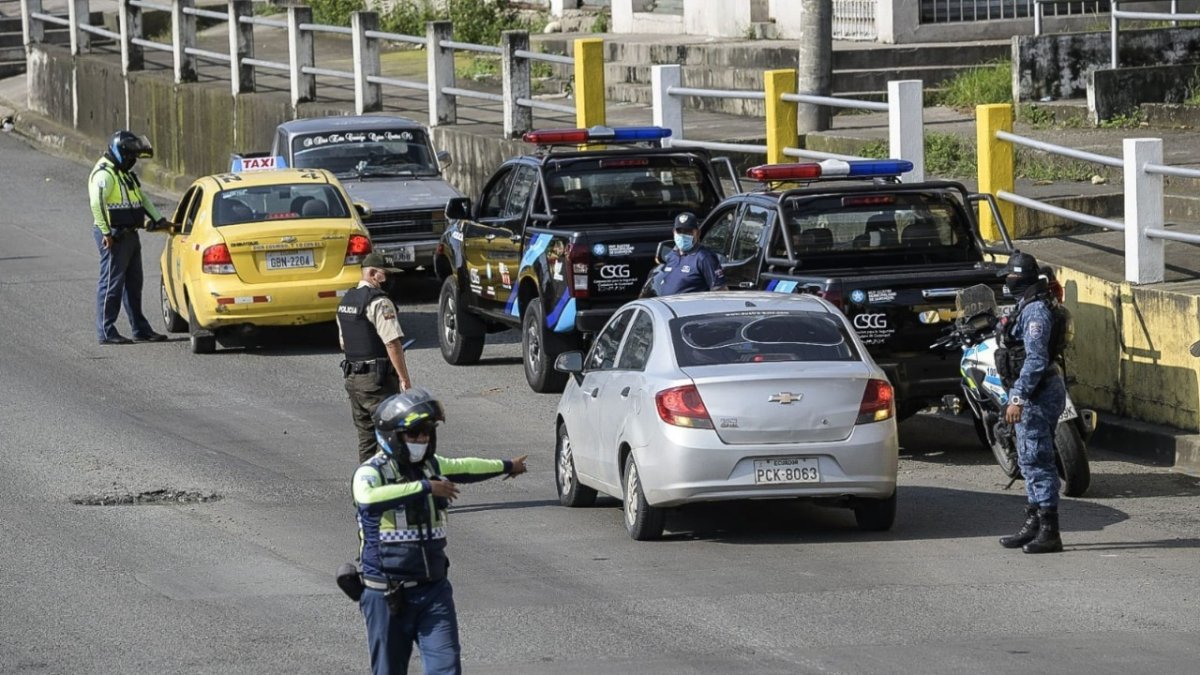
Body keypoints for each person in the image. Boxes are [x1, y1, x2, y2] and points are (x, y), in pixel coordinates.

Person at [349, 388, 528, 675]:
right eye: (415, 433)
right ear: (393, 436)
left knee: (447, 668)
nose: (422, 439)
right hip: (387, 595)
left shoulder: (432, 466)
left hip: (433, 590)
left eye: (428, 433)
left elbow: (467, 466)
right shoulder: (372, 472)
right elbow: (367, 499)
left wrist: (508, 465)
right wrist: (425, 488)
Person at [995, 251, 1067, 554]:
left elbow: (1036, 359)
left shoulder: (1036, 311)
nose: (1008, 283)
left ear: (1020, 279)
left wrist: (1017, 398)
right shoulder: (1026, 306)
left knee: (1038, 459)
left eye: (1011, 277)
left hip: (1036, 393)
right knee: (1027, 458)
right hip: (1032, 393)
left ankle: (1050, 530)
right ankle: (1034, 523)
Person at [90, 130, 171, 345]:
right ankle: (106, 331)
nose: (132, 161)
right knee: (111, 284)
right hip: (114, 236)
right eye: (130, 157)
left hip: (130, 234)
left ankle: (140, 329)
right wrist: (106, 233)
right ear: (120, 153)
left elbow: (141, 198)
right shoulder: (104, 174)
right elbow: (96, 204)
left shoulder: (124, 174)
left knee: (134, 285)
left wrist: (158, 219)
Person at [337, 252, 415, 463]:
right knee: (392, 435)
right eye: (386, 274)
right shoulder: (379, 302)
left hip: (354, 379)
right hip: (377, 381)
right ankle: (396, 487)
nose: (390, 279)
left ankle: (366, 488)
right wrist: (404, 379)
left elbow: (344, 343)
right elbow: (392, 343)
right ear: (372, 273)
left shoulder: (347, 300)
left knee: (367, 440)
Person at [656, 212, 727, 296]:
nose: (682, 235)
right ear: (674, 232)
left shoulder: (704, 257)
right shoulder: (672, 255)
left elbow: (720, 291)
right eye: (679, 231)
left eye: (688, 231)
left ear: (698, 233)